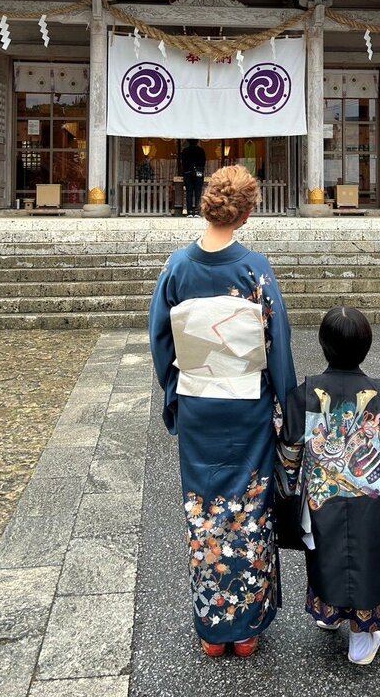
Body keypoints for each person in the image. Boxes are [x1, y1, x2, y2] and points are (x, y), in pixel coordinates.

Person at [149, 164, 297, 658]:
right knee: (248, 513)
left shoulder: (177, 267)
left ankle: (213, 629)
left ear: (207, 204)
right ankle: (246, 628)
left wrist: (176, 390)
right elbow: (277, 343)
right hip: (247, 406)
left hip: (198, 403)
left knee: (204, 512)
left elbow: (160, 338)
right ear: (247, 213)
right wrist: (287, 405)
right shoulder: (255, 269)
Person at [277, 306, 380, 666]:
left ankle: (329, 614)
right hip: (370, 501)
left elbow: (289, 453)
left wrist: (290, 491)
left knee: (325, 556)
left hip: (321, 498)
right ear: (366, 346)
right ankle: (361, 640)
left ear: (323, 344)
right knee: (368, 562)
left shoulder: (304, 394)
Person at [181, 138, 206, 216]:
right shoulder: (201, 150)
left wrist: (187, 169)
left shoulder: (185, 151)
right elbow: (203, 162)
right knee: (198, 192)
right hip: (198, 172)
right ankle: (197, 211)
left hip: (188, 172)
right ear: (197, 141)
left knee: (189, 192)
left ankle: (190, 211)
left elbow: (183, 162)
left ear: (188, 142)